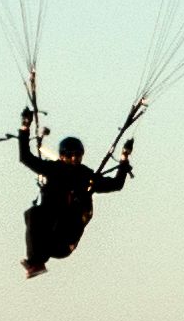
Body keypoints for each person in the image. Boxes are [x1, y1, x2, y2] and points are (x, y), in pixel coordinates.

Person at [12, 104, 136, 278]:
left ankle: (38, 260)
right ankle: (36, 262)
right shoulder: (54, 169)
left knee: (53, 211)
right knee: (33, 214)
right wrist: (25, 126)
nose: (74, 159)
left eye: (77, 155)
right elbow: (26, 157)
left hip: (65, 238)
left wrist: (124, 159)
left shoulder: (85, 176)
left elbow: (115, 184)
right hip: (50, 238)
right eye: (70, 155)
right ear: (62, 155)